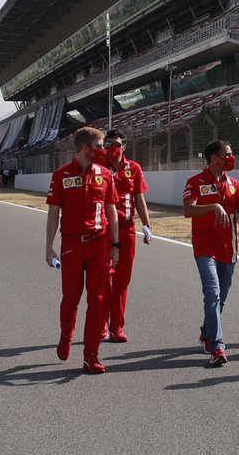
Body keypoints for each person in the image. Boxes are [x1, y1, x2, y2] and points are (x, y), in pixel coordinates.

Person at [45, 126, 120, 374]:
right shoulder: (61, 175)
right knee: (71, 299)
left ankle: (91, 355)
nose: (104, 150)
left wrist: (115, 245)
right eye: (100, 146)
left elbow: (111, 210)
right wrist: (49, 247)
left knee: (98, 300)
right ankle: (66, 334)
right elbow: (54, 212)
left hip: (100, 243)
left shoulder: (106, 175)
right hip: (72, 245)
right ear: (85, 148)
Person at [183, 140, 239, 367]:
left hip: (229, 249)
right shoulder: (195, 182)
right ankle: (217, 346)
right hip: (205, 248)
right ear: (214, 158)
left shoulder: (234, 183)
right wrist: (213, 206)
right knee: (213, 293)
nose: (231, 157)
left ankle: (207, 333)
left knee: (221, 298)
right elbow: (188, 210)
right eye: (227, 154)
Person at [101, 129, 153, 343]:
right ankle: (101, 323)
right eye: (108, 144)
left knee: (122, 281)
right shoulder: (98, 167)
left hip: (127, 228)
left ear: (124, 146)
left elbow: (139, 198)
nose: (112, 148)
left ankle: (117, 327)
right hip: (103, 231)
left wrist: (147, 224)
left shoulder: (134, 168)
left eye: (116, 144)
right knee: (103, 280)